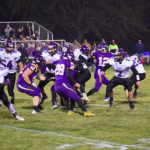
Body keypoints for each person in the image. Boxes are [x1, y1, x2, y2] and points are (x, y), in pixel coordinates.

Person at [54, 49, 95, 117]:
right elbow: (68, 74)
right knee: (76, 97)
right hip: (63, 84)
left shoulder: (58, 62)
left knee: (65, 97)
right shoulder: (69, 62)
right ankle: (85, 112)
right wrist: (74, 83)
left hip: (56, 86)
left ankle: (69, 111)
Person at [38, 42, 61, 109]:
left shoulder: (59, 55)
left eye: (52, 49)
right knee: (39, 86)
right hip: (48, 73)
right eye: (50, 49)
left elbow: (60, 66)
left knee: (55, 87)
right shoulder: (45, 53)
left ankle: (55, 103)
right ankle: (44, 96)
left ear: (55, 48)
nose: (51, 50)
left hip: (57, 73)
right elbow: (41, 61)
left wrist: (49, 65)